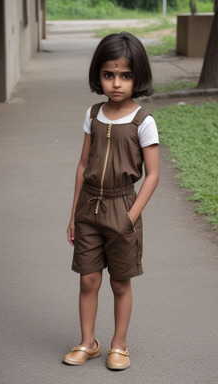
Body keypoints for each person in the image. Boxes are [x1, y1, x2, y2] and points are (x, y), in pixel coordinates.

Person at [63, 32, 159, 370]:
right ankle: (88, 342)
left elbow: (153, 175)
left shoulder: (142, 122)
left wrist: (130, 217)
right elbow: (82, 164)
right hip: (89, 208)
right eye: (108, 74)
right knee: (88, 279)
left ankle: (119, 344)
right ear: (98, 76)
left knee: (120, 282)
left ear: (138, 77)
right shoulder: (92, 115)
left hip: (122, 208)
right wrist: (75, 214)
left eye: (125, 75)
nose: (116, 83)